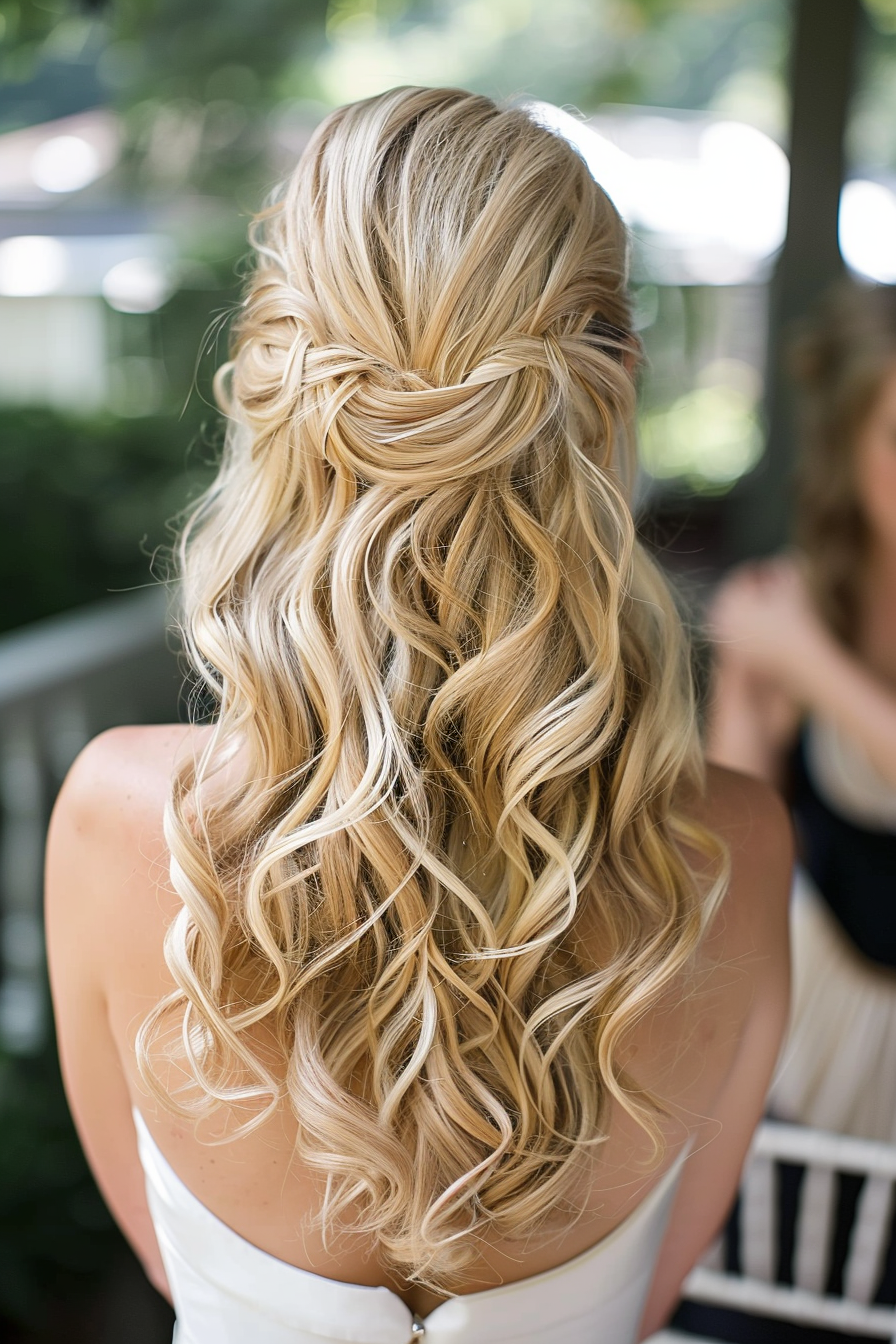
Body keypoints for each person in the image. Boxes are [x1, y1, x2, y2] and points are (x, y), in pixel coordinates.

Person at [46, 87, 791, 1344]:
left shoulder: (120, 819)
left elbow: (182, 1271)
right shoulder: (734, 848)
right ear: (611, 382)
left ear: (270, 370)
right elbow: (656, 1291)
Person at [709, 282, 896, 1145]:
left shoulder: (798, 640)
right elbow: (722, 860)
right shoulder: (792, 609)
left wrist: (812, 667)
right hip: (808, 1075)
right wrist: (757, 678)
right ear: (848, 441)